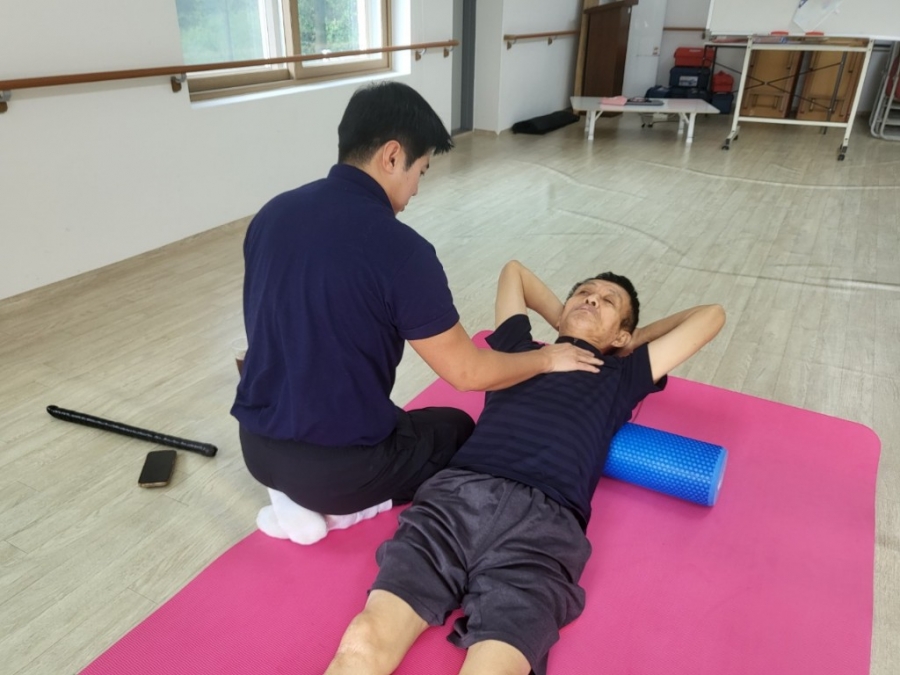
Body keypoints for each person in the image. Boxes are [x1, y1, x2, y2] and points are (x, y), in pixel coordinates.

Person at [230, 83, 602, 545]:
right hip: (338, 472)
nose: (417, 190)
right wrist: (548, 358)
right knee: (455, 429)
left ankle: (289, 494)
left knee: (370, 414)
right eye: (420, 170)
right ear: (392, 156)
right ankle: (341, 512)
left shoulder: (271, 214)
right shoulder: (402, 250)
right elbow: (468, 372)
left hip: (256, 446)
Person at [324, 260, 726, 675]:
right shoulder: (518, 349)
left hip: (543, 531)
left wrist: (634, 340)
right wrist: (564, 329)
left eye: (608, 301)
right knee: (366, 639)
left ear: (622, 334)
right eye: (584, 292)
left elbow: (711, 315)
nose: (592, 298)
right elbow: (514, 272)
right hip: (457, 501)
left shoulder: (623, 373)